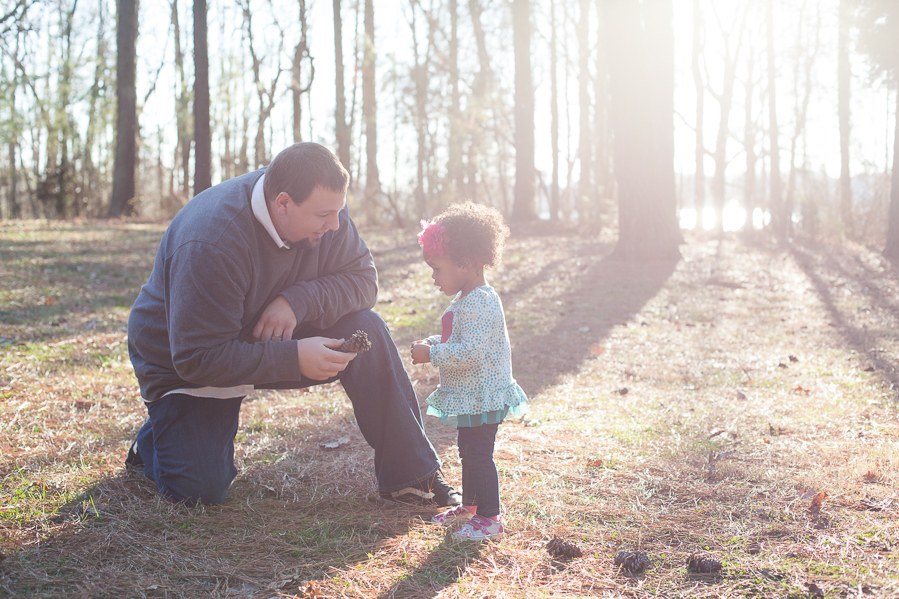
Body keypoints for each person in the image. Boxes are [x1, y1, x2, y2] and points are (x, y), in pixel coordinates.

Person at [125, 142, 460, 508]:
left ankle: (412, 476)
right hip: (186, 363)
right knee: (199, 489)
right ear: (283, 203)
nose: (335, 225)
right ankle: (154, 439)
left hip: (268, 333)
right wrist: (293, 357)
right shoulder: (211, 240)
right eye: (323, 216)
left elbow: (364, 281)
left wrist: (297, 302)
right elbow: (195, 356)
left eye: (338, 212)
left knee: (367, 329)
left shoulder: (329, 215)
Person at [410, 201, 527, 541]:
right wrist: (433, 342)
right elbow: (456, 338)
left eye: (437, 268)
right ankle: (472, 506)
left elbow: (472, 352)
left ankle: (490, 518)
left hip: (484, 395)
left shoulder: (482, 300)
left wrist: (432, 353)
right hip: (472, 397)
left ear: (466, 261)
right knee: (467, 451)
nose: (434, 278)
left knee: (478, 456)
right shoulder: (465, 300)